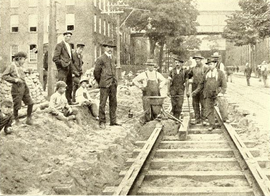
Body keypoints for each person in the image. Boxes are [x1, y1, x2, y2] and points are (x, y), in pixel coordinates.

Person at [191, 58, 227, 131]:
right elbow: (201, 84)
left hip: (217, 93)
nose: (210, 66)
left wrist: (222, 92)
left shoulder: (220, 73)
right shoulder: (206, 73)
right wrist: (196, 91)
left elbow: (224, 85)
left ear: (215, 64)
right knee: (209, 109)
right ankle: (212, 124)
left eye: (211, 64)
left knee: (222, 105)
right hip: (208, 93)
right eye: (208, 64)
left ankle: (225, 118)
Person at [2, 52, 34, 125]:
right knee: (17, 105)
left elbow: (21, 73)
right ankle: (16, 119)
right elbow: (4, 76)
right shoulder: (11, 66)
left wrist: (27, 71)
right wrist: (15, 80)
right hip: (17, 88)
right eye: (23, 59)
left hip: (24, 87)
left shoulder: (20, 66)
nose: (24, 61)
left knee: (31, 103)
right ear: (19, 59)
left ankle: (29, 118)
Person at [94, 40, 119, 129]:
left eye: (111, 47)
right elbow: (96, 72)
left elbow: (114, 70)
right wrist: (101, 82)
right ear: (105, 48)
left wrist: (115, 81)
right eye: (108, 47)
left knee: (113, 102)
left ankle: (113, 121)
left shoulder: (113, 58)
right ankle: (102, 122)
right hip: (104, 84)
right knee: (102, 103)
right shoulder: (100, 59)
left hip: (113, 83)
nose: (110, 49)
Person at [133, 58, 166, 124]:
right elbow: (134, 80)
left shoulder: (157, 74)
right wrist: (140, 86)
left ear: (154, 66)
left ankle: (155, 122)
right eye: (149, 66)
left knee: (156, 110)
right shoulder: (144, 74)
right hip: (146, 95)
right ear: (147, 66)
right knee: (147, 110)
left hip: (155, 95)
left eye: (152, 66)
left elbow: (164, 80)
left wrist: (160, 86)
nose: (150, 67)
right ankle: (148, 123)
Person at [53, 31, 74, 105]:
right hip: (62, 69)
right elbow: (55, 58)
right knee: (61, 85)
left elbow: (70, 57)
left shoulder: (69, 46)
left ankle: (68, 101)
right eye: (67, 36)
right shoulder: (59, 45)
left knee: (69, 84)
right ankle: (57, 102)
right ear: (63, 36)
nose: (68, 38)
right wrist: (62, 65)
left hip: (69, 68)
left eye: (69, 36)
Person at [188, 54, 207, 125]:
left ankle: (203, 119)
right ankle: (197, 119)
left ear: (201, 60)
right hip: (194, 88)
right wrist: (188, 79)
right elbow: (188, 76)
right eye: (196, 59)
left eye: (198, 59)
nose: (197, 60)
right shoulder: (193, 69)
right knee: (195, 104)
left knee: (203, 104)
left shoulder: (205, 68)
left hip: (203, 89)